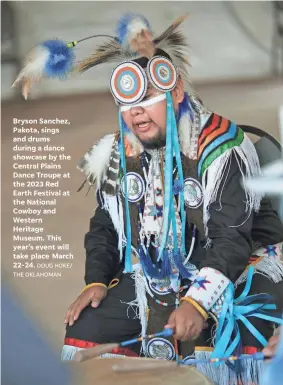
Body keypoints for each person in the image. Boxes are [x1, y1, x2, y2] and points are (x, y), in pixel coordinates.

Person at [13, 13, 283, 385]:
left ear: (175, 94)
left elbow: (231, 238)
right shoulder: (124, 151)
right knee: (87, 324)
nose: (136, 112)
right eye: (128, 105)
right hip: (159, 273)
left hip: (239, 265)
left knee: (238, 332)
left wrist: (197, 302)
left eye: (148, 99)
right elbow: (105, 226)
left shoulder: (221, 148)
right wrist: (95, 279)